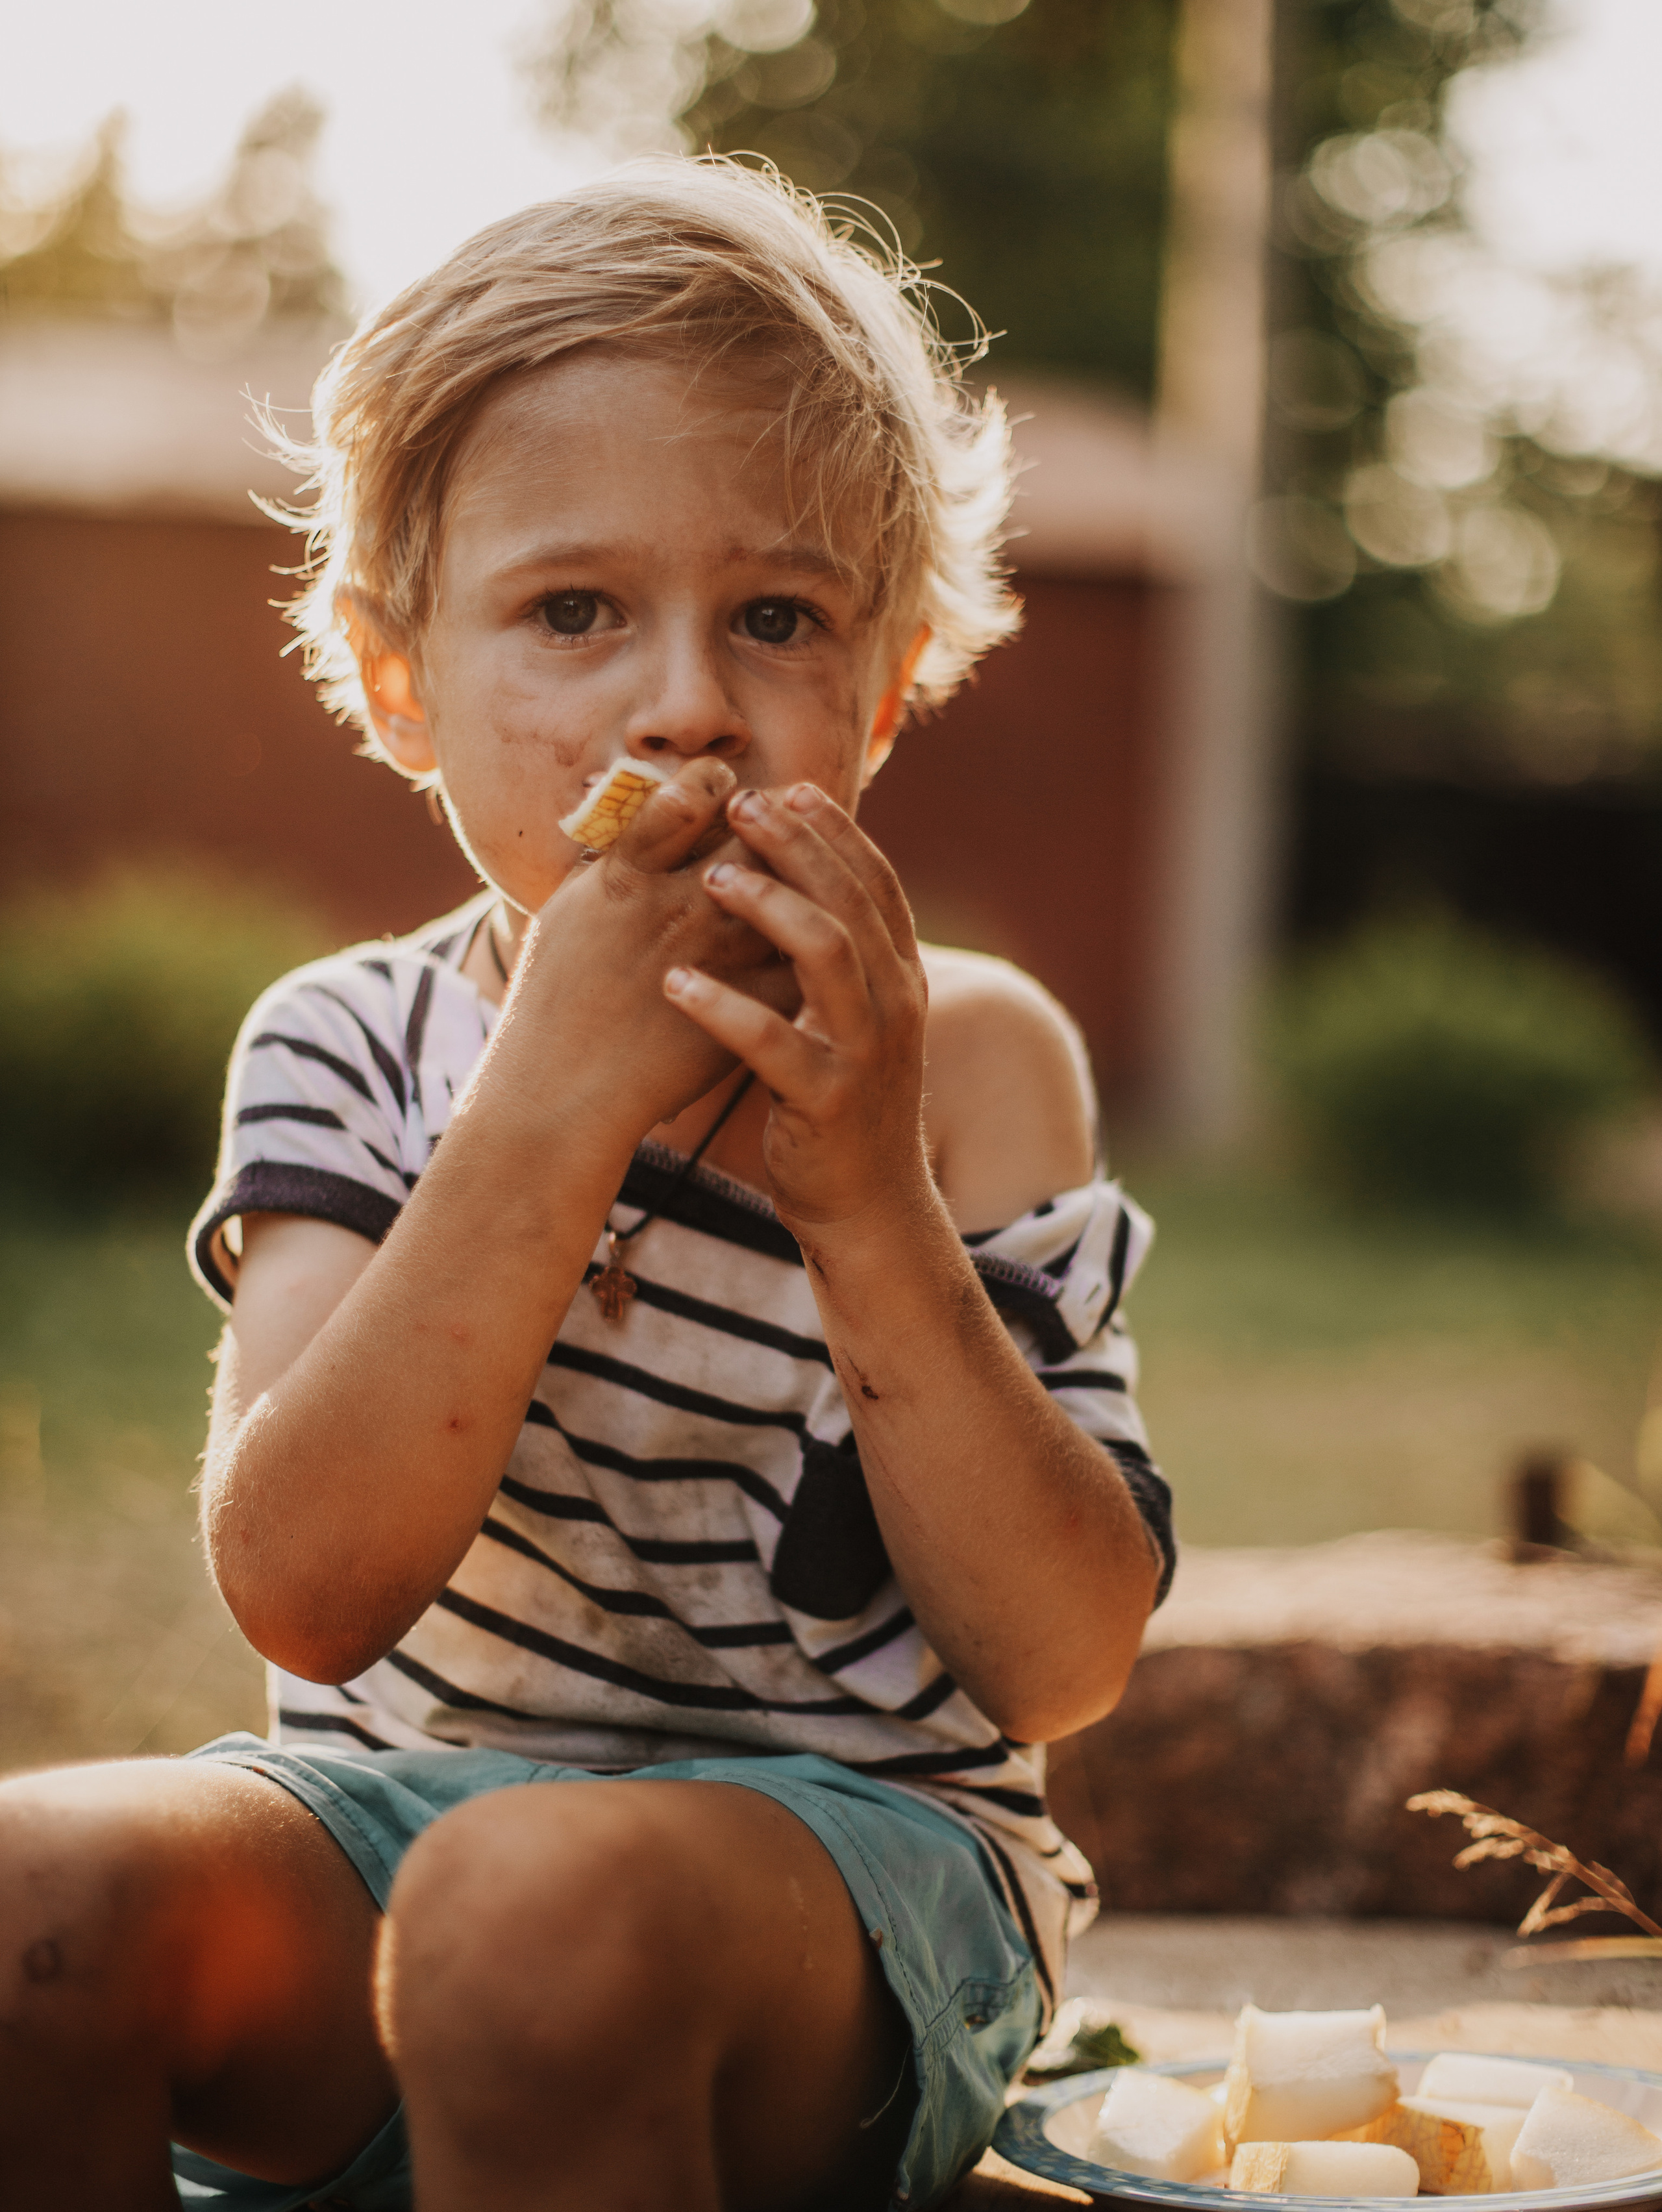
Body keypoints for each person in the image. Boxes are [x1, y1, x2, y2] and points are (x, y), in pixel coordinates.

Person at [0, 159, 1172, 2212]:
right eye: (572, 612)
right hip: (388, 1823)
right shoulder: (347, 1051)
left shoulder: (968, 1059)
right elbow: (303, 1583)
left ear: (884, 689)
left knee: (530, 1910)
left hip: (870, 1887)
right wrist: (543, 1106)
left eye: (781, 621)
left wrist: (867, 1199)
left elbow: (1061, 1657)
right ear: (400, 681)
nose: (688, 702)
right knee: (32, 1906)